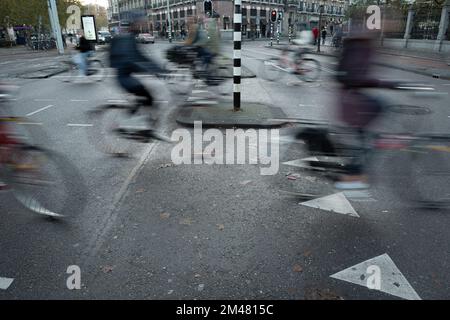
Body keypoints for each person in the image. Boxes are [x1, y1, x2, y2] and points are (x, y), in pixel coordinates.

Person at [334, 30, 399, 189]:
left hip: (351, 99)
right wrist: (387, 84)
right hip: (352, 102)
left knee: (366, 137)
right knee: (369, 139)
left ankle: (355, 167)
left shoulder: (359, 45)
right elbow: (355, 78)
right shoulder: (360, 47)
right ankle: (352, 176)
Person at [109, 14, 167, 140]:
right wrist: (154, 70)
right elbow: (133, 60)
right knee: (149, 98)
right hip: (125, 78)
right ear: (134, 24)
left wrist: (160, 69)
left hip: (126, 76)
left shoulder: (129, 38)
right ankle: (135, 127)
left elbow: (142, 58)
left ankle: (143, 127)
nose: (144, 25)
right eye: (142, 22)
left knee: (144, 98)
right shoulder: (127, 40)